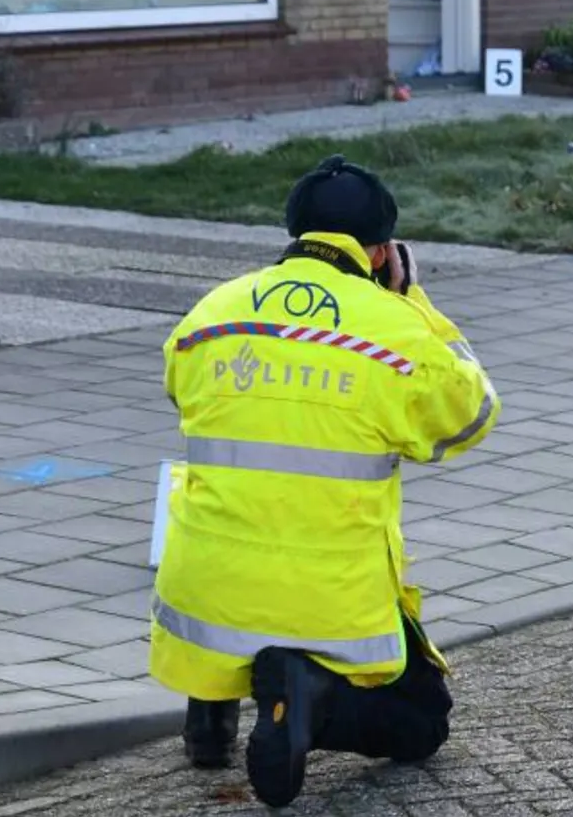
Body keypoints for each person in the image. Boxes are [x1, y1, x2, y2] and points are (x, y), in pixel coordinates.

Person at [149, 154, 500, 808]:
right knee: (424, 722)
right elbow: (471, 415)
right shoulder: (393, 330)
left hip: (207, 607)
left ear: (296, 231)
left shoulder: (210, 314)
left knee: (236, 506)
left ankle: (210, 717)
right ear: (381, 252)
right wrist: (415, 302)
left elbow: (181, 394)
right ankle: (308, 699)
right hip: (330, 607)